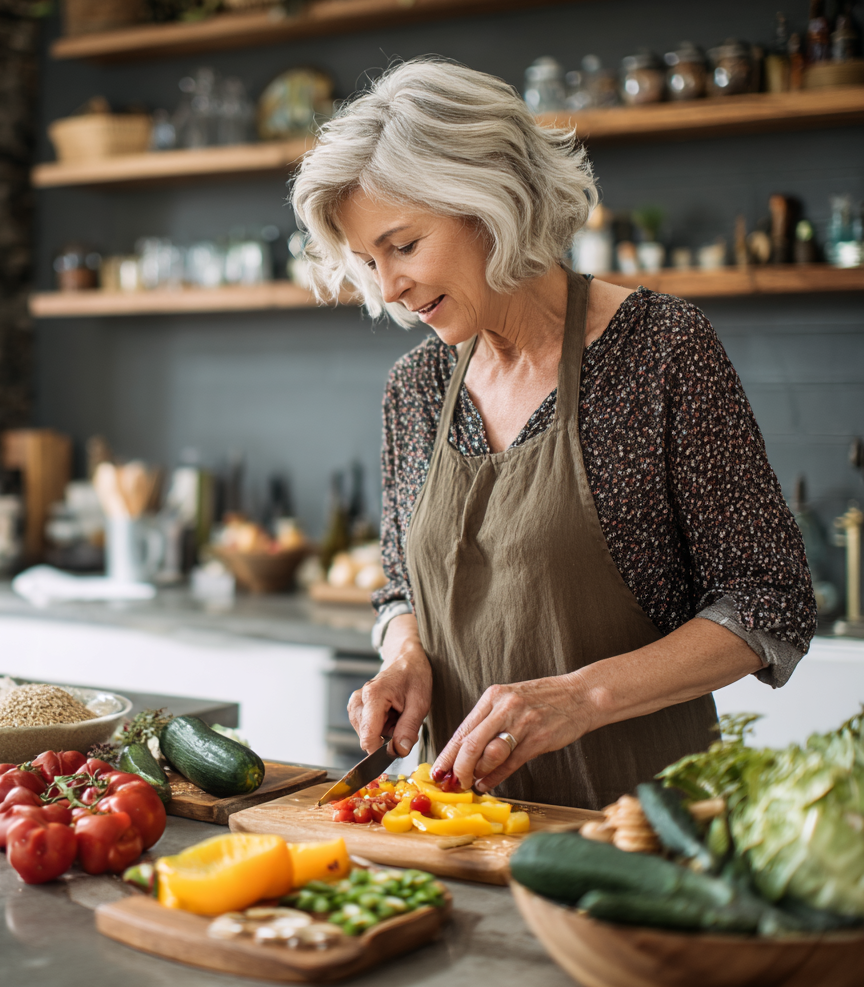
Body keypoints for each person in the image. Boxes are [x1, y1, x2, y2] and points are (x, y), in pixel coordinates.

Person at [290, 58, 815, 809]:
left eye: (403, 246)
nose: (390, 287)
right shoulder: (416, 387)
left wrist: (581, 697)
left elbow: (769, 601)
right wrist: (406, 652)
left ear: (489, 203)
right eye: (370, 262)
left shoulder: (660, 350)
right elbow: (400, 585)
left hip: (644, 826)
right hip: (461, 826)